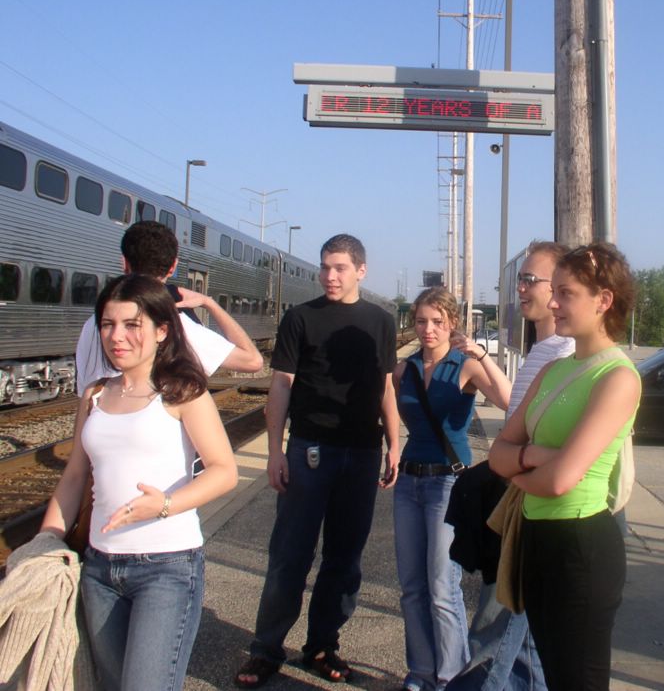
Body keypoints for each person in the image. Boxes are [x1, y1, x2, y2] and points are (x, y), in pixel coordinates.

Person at [40, 273, 239, 691]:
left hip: (166, 569)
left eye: (132, 325)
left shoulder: (182, 392)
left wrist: (163, 505)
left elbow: (224, 470)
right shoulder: (94, 395)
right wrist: (46, 540)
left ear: (161, 330)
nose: (117, 336)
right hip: (99, 568)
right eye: (108, 324)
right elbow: (75, 475)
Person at [235, 234, 400, 689]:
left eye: (340, 268)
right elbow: (281, 384)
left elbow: (385, 386)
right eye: (325, 267)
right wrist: (275, 451)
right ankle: (266, 649)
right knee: (290, 555)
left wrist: (394, 443)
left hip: (362, 453)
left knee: (344, 559)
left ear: (361, 270)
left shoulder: (381, 322)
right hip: (309, 450)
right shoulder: (300, 318)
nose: (329, 276)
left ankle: (323, 646)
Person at [489, 243, 641, 691]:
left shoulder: (617, 377)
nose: (553, 303)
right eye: (553, 291)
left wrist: (519, 465)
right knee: (554, 677)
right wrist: (533, 457)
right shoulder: (552, 370)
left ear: (604, 300)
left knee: (578, 681)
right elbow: (498, 454)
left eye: (566, 293)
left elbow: (560, 482)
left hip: (580, 548)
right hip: (535, 540)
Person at [449, 240, 574, 691]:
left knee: (496, 629)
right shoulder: (542, 350)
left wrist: (512, 459)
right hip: (519, 497)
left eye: (529, 280)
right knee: (526, 645)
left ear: (559, 287)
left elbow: (549, 448)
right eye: (520, 279)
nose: (520, 288)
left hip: (533, 509)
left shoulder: (565, 354)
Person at [392, 287, 511, 691]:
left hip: (447, 481)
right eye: (421, 321)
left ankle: (450, 679)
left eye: (437, 322)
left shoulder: (465, 366)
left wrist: (482, 356)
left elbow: (509, 400)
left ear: (452, 324)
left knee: (442, 587)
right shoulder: (404, 370)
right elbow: (399, 414)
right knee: (412, 587)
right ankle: (420, 673)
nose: (428, 329)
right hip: (409, 481)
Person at [76, 220, 264, 396]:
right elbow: (253, 361)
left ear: (124, 262)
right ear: (173, 266)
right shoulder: (175, 324)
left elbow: (84, 390)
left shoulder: (94, 323)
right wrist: (209, 303)